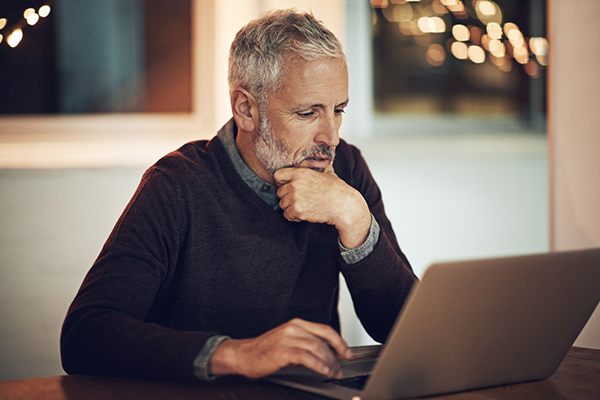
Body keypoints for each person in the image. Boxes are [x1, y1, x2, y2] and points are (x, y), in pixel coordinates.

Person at [60, 9, 417, 383]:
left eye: (338, 110)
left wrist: (355, 218)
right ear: (246, 109)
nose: (331, 136)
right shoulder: (177, 184)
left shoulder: (346, 169)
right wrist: (237, 353)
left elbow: (405, 330)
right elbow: (85, 334)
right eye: (308, 113)